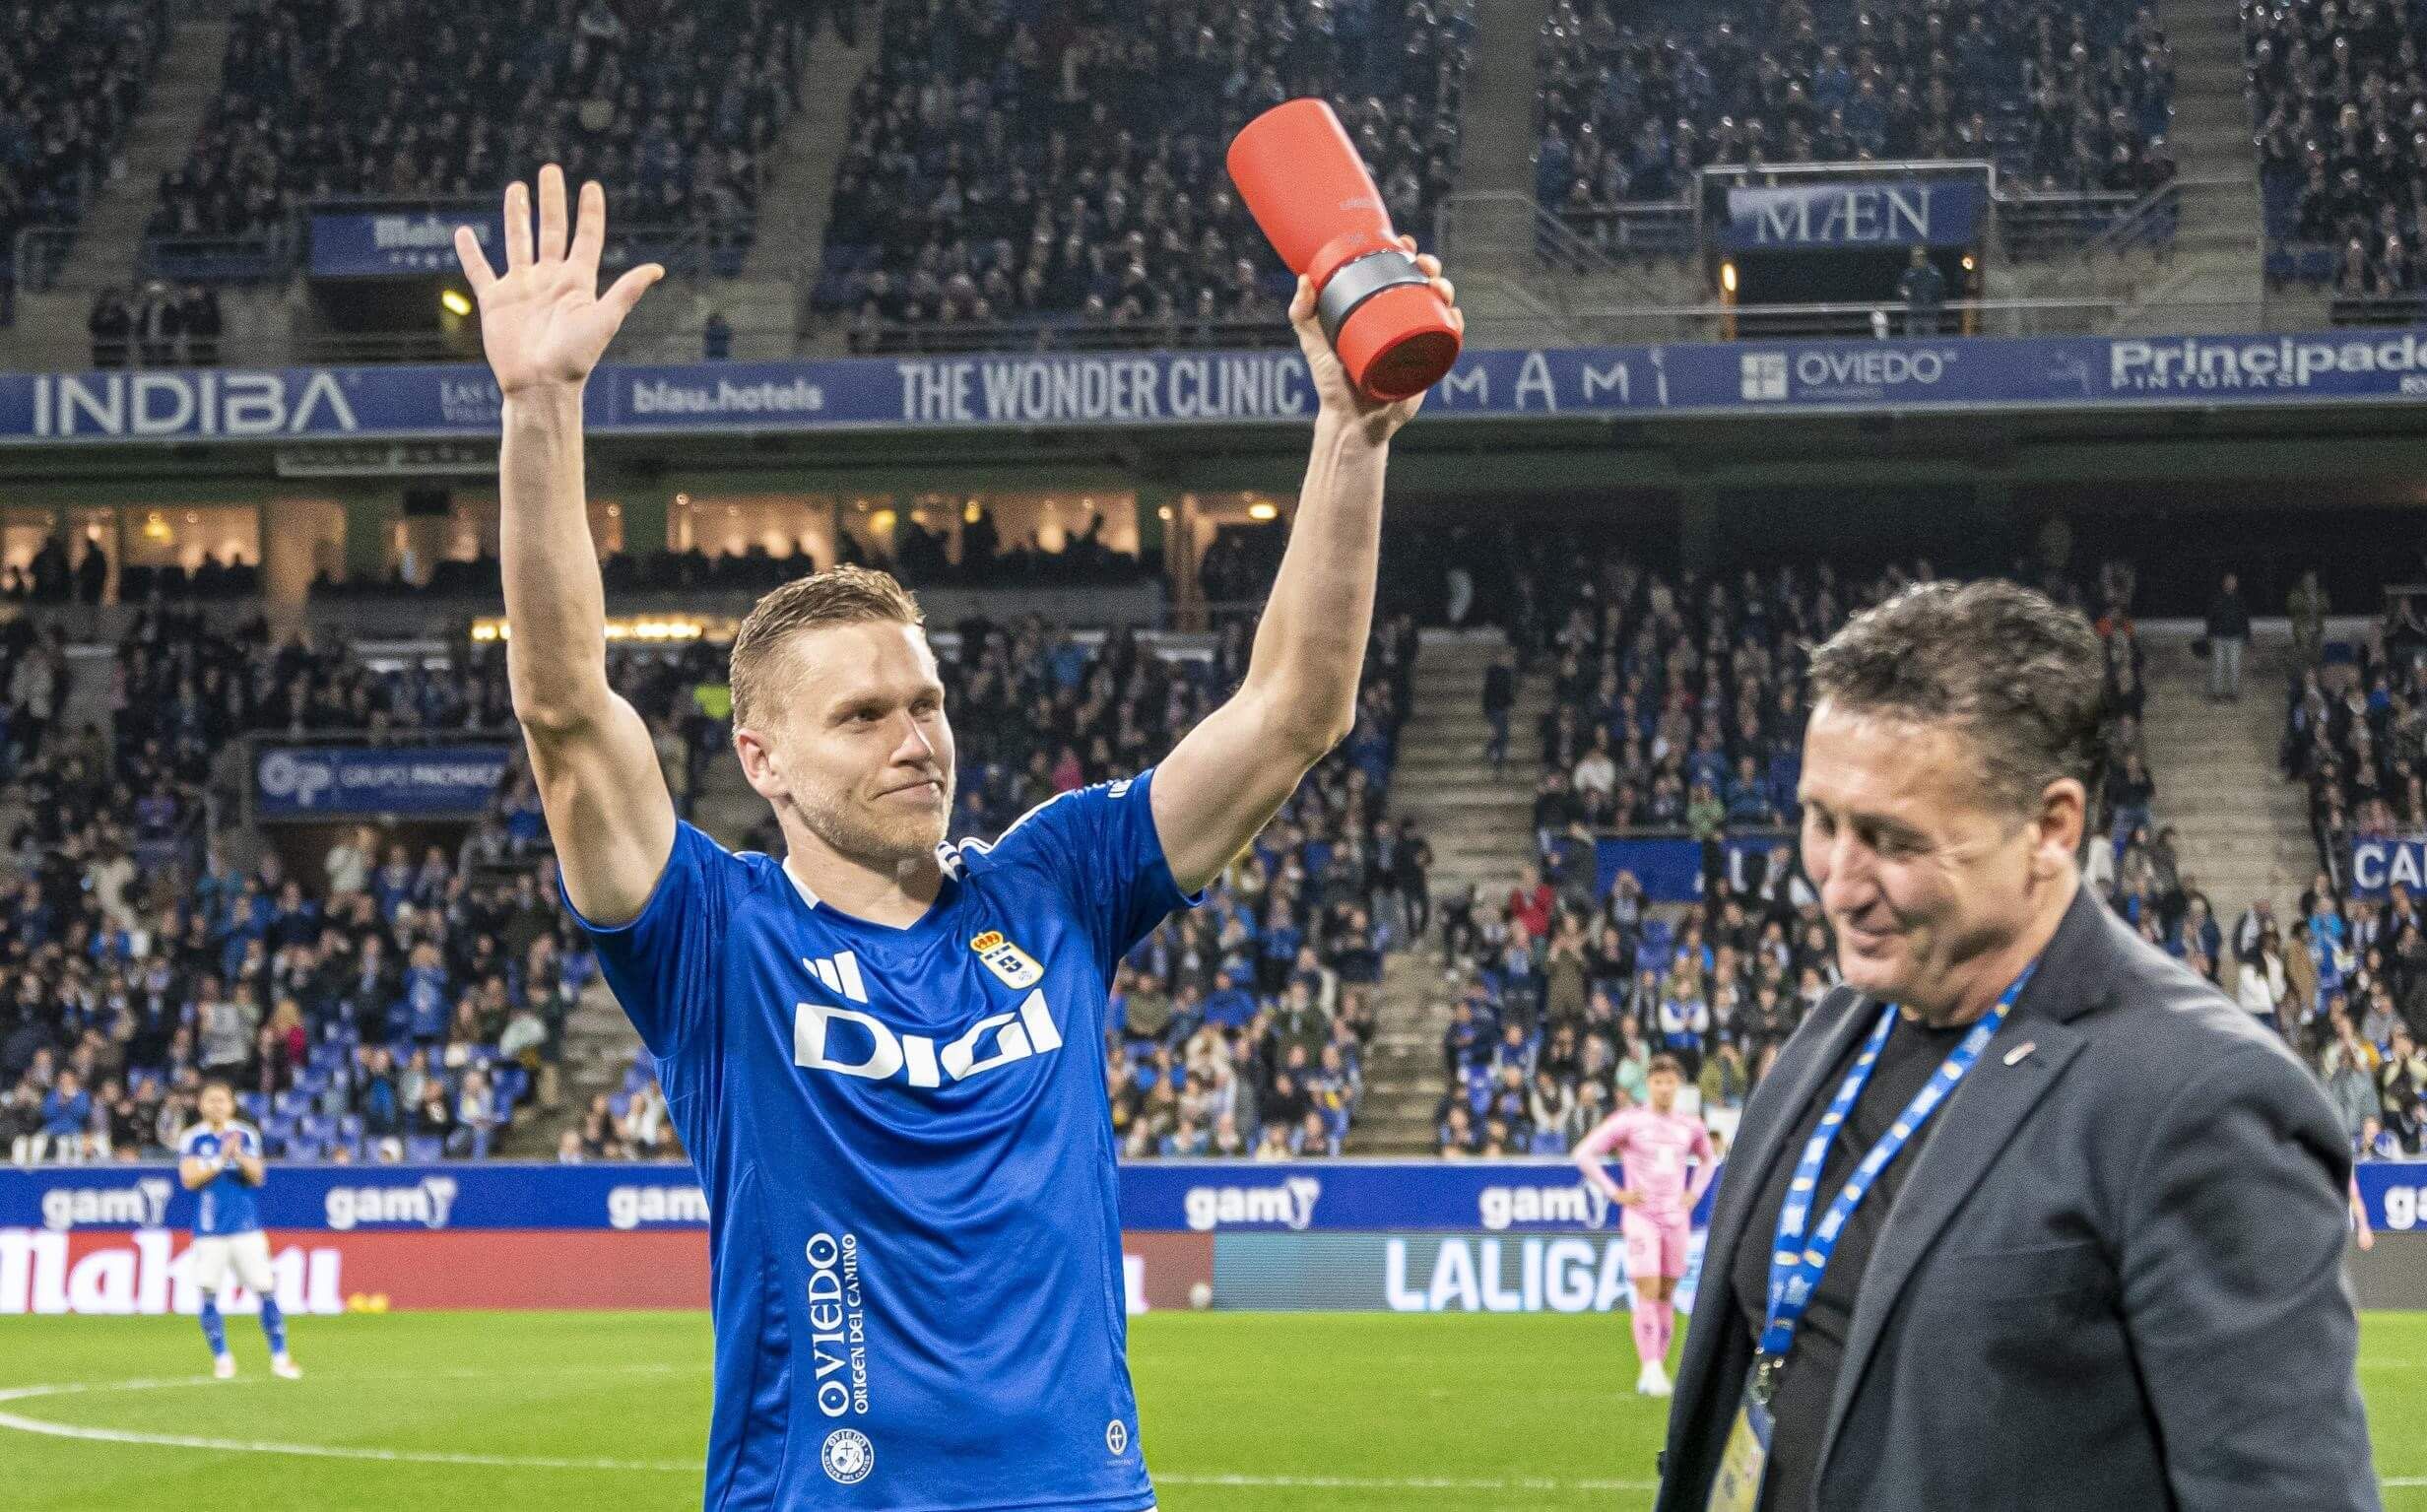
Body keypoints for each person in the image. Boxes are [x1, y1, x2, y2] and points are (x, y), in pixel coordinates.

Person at [453, 165, 1458, 1512]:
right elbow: (568, 711)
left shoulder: (1059, 881)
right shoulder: (715, 936)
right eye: (861, 715)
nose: (914, 737)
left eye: (924, 701)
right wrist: (539, 409)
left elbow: (1293, 713)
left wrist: (1354, 433)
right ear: (761, 759)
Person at [1655, 580, 2374, 1512]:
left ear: (2051, 826)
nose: (1838, 883)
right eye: (1823, 822)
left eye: (1893, 840)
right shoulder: (1834, 1030)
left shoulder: (2199, 1098)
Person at [1572, 1053, 1716, 1398]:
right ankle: (1649, 1365)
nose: (1664, 1088)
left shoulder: (1690, 1125)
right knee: (1647, 1288)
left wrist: (1693, 1194)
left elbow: (1709, 1160)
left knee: (1667, 1291)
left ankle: (1656, 1368)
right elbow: (1584, 1154)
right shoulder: (1630, 1121)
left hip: (1676, 1218)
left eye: (1670, 1082)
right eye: (1658, 1082)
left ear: (1678, 1086)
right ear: (1648, 1084)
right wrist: (1615, 1192)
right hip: (1642, 1216)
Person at [177, 1081, 302, 1381]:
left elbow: (258, 1176)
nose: (216, 1105)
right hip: (209, 1229)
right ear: (201, 1105)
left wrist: (238, 1156)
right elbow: (189, 1179)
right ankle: (222, 1358)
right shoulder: (193, 1138)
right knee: (208, 1293)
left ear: (231, 1105)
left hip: (246, 1227)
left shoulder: (245, 1135)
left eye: (221, 1100)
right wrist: (220, 1159)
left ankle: (280, 1356)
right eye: (211, 1100)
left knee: (265, 1289)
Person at [2205, 569, 2251, 701]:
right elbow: (2210, 618)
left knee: (2234, 666)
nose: (2231, 583)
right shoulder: (2216, 599)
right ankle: (2216, 693)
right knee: (2218, 666)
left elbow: (2245, 619)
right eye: (2228, 581)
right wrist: (2209, 635)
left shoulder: (2240, 600)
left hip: (2236, 638)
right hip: (2218, 637)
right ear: (2223, 583)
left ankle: (2233, 693)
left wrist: (2247, 637)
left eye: (2233, 581)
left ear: (2236, 584)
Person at [1896, 247, 1945, 336]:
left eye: (1920, 257)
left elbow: (1940, 292)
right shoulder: (1908, 273)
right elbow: (1902, 289)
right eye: (1915, 257)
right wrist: (1905, 293)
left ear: (1924, 258)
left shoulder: (1934, 274)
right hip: (1912, 315)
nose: (1917, 259)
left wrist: (1932, 301)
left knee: (1930, 341)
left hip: (1930, 315)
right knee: (1911, 341)